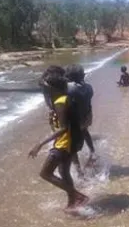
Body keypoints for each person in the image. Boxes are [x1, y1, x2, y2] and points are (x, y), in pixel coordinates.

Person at [29, 73, 88, 212]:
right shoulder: (63, 98)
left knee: (45, 173)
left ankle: (78, 196)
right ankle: (73, 201)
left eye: (44, 87)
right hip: (70, 141)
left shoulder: (60, 102)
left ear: (52, 88)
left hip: (64, 143)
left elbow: (63, 128)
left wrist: (40, 144)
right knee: (63, 171)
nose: (43, 89)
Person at [65, 64, 96, 176]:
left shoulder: (69, 88)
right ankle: (92, 151)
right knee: (85, 132)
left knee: (72, 147)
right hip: (87, 116)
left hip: (75, 121)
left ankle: (79, 172)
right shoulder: (89, 87)